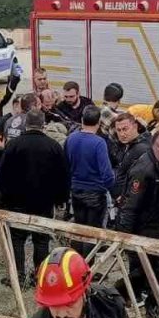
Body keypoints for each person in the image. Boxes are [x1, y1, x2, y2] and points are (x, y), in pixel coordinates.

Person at [0, 110, 69, 285]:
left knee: (17, 239)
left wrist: (3, 198)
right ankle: (40, 277)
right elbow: (63, 175)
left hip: (17, 201)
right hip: (44, 202)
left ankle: (18, 276)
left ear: (26, 124)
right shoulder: (54, 146)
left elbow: (3, 174)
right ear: (43, 124)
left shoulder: (14, 145)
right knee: (41, 240)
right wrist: (61, 199)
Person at [115, 127, 159, 313]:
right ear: (158, 146)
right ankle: (156, 312)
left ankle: (119, 293)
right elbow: (130, 205)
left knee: (155, 266)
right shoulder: (144, 169)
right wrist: (124, 237)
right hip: (143, 227)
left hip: (156, 225)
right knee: (155, 270)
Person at [65, 104, 115, 246]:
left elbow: (66, 165)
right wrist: (114, 191)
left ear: (82, 120)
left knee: (78, 230)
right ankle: (88, 265)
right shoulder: (99, 143)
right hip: (95, 193)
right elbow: (107, 174)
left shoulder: (71, 138)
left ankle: (75, 263)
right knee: (92, 234)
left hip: (76, 192)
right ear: (99, 122)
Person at [110, 112, 151, 201]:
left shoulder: (142, 149)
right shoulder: (124, 145)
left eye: (125, 129)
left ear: (135, 127)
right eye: (119, 130)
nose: (122, 134)